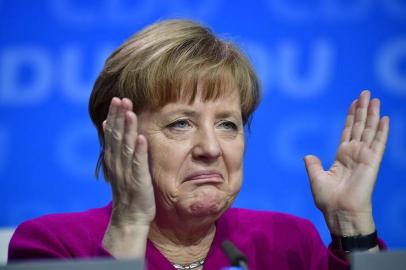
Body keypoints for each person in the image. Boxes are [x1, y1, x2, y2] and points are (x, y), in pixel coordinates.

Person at [8, 19, 389, 270]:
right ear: (118, 140)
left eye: (227, 124)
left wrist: (352, 223)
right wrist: (129, 225)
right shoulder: (52, 245)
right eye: (180, 123)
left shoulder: (288, 243)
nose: (211, 147)